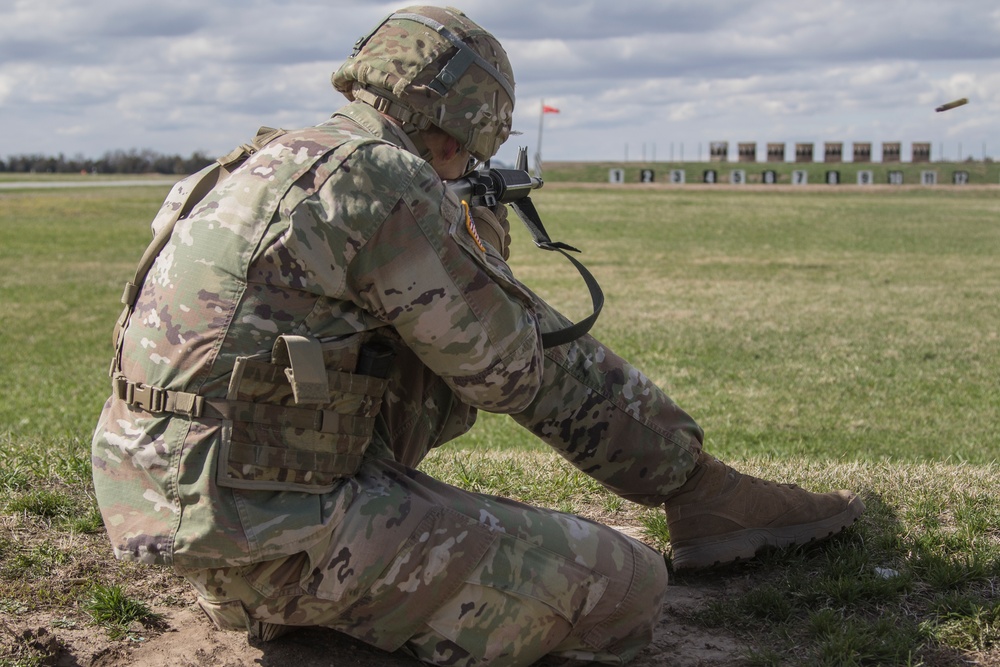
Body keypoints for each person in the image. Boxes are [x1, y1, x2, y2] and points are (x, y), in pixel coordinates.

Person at [91, 6, 864, 665]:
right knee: (628, 585)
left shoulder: (251, 161)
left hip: (164, 502)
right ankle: (699, 490)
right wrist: (481, 246)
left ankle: (310, 588)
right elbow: (512, 371)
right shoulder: (383, 178)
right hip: (261, 527)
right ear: (457, 134)